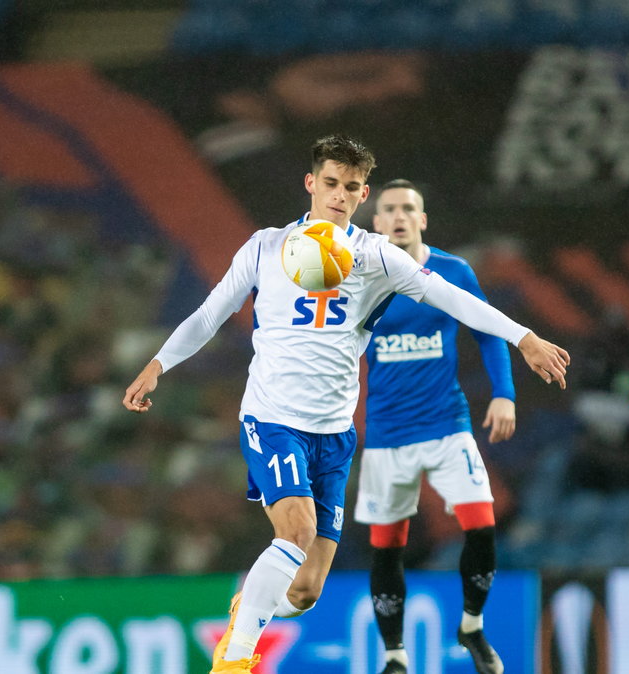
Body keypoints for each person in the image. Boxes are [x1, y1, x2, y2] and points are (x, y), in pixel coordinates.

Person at [122, 135, 570, 674]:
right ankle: (235, 660)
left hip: (333, 436)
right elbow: (209, 314)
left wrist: (524, 337)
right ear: (311, 184)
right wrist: (157, 364)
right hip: (272, 419)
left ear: (363, 196)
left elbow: (452, 297)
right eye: (331, 183)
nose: (339, 195)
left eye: (352, 188)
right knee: (296, 531)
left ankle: (251, 606)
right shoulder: (265, 246)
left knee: (306, 590)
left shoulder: (375, 256)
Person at [356, 179, 515, 674]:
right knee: (387, 549)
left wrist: (504, 394)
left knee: (482, 528)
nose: (400, 216)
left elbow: (489, 330)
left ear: (422, 219)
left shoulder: (452, 271)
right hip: (386, 436)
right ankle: (395, 657)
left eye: (409, 209)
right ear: (376, 223)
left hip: (448, 426)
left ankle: (471, 624)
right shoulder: (357, 278)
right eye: (390, 210)